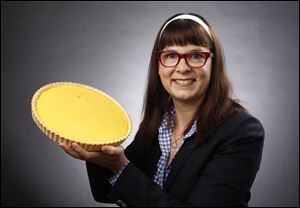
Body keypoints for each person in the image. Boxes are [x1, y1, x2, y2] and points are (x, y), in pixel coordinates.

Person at [60, 13, 264, 207]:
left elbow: (126, 176)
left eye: (195, 55)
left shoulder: (242, 131)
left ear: (213, 63)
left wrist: (119, 166)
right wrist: (96, 148)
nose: (182, 68)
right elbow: (107, 192)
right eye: (170, 55)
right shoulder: (159, 123)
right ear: (158, 66)